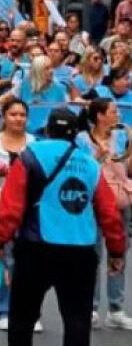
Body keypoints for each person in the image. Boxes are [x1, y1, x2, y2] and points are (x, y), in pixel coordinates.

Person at [0, 108, 127, 346]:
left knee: (22, 320)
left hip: (36, 248)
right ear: (75, 133)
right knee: (77, 322)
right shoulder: (90, 165)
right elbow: (109, 214)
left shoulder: (29, 156)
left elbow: (11, 208)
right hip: (81, 252)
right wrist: (116, 251)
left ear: (49, 130)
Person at [0, 99, 41, 332]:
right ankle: (4, 309)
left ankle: (30, 311)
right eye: (13, 114)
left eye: (22, 115)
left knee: (29, 260)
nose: (18, 119)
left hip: (29, 208)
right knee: (3, 256)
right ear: (3, 117)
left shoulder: (34, 144)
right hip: (0, 206)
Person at [77, 98, 132, 330]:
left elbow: (127, 169)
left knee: (118, 253)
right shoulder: (81, 139)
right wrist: (99, 155)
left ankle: (116, 309)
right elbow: (80, 168)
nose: (117, 114)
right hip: (93, 200)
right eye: (112, 111)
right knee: (93, 255)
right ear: (99, 115)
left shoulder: (122, 137)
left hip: (119, 200)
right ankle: (90, 307)